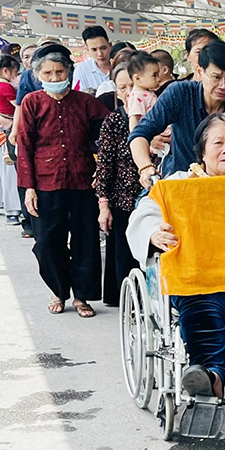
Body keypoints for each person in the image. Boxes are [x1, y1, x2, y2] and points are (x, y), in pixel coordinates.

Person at [127, 113, 225, 398]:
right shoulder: (180, 184)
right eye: (218, 143)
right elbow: (146, 213)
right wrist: (153, 233)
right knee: (205, 307)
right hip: (202, 275)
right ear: (202, 151)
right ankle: (210, 376)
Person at [15, 46, 109, 317]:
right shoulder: (33, 102)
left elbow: (107, 130)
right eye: (48, 72)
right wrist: (28, 187)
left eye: (59, 71)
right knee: (46, 241)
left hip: (82, 179)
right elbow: (25, 146)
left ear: (69, 71)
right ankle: (58, 289)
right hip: (45, 182)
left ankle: (81, 296)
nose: (55, 77)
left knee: (85, 239)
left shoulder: (85, 101)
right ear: (38, 75)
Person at [129, 40, 225, 185]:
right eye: (216, 77)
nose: (223, 86)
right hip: (182, 183)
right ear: (200, 71)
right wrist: (146, 168)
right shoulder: (179, 93)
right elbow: (139, 134)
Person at [93, 61, 139, 305]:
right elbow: (104, 166)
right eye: (123, 88)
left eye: (134, 85)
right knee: (122, 254)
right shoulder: (113, 121)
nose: (129, 93)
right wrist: (103, 204)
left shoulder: (159, 117)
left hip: (153, 197)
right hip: (122, 199)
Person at [0, 53, 23, 225]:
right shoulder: (6, 88)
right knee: (12, 163)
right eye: (15, 72)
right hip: (10, 125)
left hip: (1, 127)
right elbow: (18, 106)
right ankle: (14, 209)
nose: (16, 75)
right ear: (6, 71)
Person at [125, 51, 160, 133]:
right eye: (154, 75)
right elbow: (134, 120)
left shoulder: (148, 93)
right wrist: (137, 139)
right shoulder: (136, 97)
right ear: (137, 78)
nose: (158, 79)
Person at [73, 26, 112, 93]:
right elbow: (77, 97)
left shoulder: (121, 65)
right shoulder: (82, 70)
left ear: (110, 45)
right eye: (94, 50)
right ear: (87, 49)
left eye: (103, 48)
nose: (100, 54)